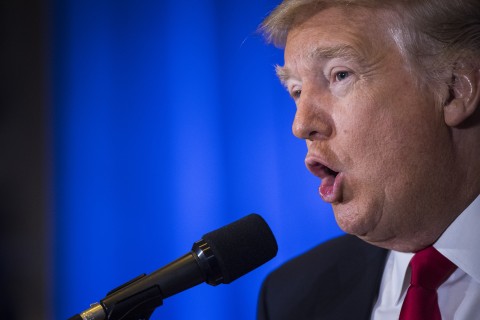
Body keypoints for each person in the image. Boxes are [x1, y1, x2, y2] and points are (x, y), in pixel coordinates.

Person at [257, 0, 480, 319]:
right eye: (296, 90)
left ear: (455, 89)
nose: (301, 124)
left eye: (340, 75)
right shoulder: (290, 299)